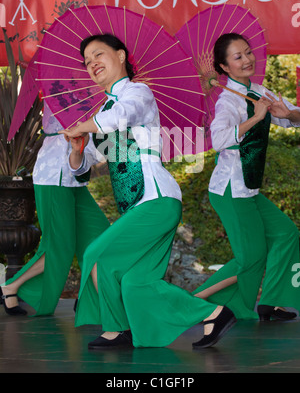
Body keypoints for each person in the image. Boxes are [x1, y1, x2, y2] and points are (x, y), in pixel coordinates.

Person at [60, 33, 236, 349]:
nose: (92, 64)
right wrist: (77, 149)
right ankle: (213, 314)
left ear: (121, 55)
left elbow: (120, 118)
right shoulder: (104, 110)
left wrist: (87, 125)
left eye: (98, 54)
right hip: (139, 208)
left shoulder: (137, 93)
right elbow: (85, 166)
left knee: (96, 254)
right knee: (134, 282)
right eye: (87, 62)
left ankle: (117, 329)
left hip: (157, 201)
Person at [193, 32, 300, 321]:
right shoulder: (227, 102)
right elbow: (219, 140)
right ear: (224, 68)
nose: (247, 59)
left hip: (248, 189)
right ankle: (194, 303)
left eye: (248, 52)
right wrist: (254, 117)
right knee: (250, 257)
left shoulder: (259, 91)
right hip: (230, 189)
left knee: (287, 234)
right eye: (237, 56)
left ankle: (271, 301)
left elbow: (295, 115)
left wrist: (286, 115)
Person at [0, 101, 110, 317]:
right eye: (90, 64)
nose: (95, 66)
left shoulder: (101, 95)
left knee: (101, 238)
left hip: (76, 180)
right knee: (60, 246)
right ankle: (12, 286)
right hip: (53, 176)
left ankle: (93, 300)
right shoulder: (62, 90)